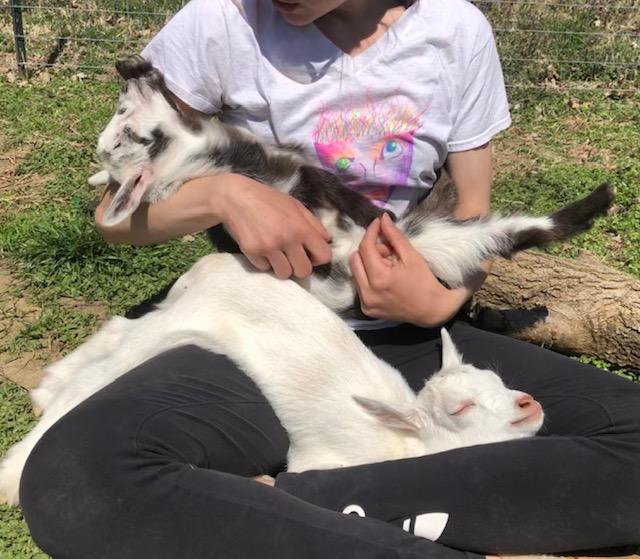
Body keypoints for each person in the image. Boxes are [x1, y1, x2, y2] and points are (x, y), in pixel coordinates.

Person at [19, 1, 640, 558]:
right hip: (274, 332)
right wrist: (225, 196)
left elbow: (472, 215)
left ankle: (307, 497)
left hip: (413, 337)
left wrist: (443, 299)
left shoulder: (455, 30)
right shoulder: (220, 22)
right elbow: (116, 220)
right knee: (78, 476)